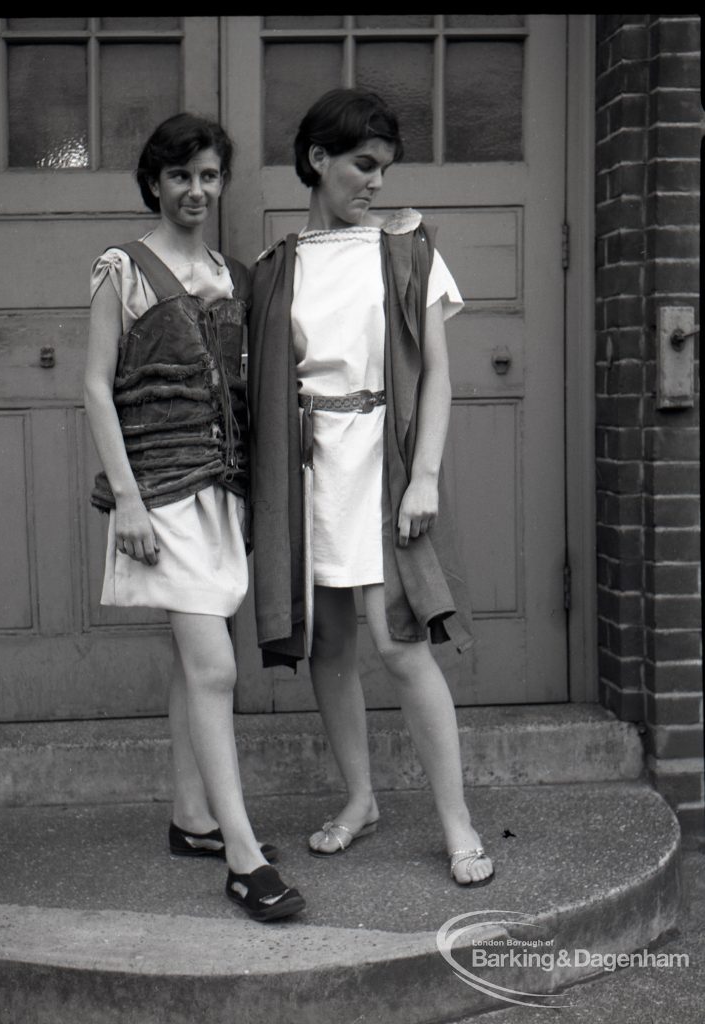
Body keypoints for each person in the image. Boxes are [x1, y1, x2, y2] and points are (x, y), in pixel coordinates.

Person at [248, 89, 494, 887]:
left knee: (400, 641)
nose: (377, 183)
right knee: (329, 642)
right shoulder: (276, 267)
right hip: (310, 468)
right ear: (316, 161)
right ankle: (360, 799)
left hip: (382, 463)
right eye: (362, 165)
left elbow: (439, 381)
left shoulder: (409, 252)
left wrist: (423, 475)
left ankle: (456, 823)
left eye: (384, 168)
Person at [83, 113, 305, 921]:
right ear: (154, 181)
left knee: (191, 666)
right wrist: (129, 498)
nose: (196, 190)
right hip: (162, 496)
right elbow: (94, 385)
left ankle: (192, 819)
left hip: (223, 494)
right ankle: (242, 858)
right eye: (180, 176)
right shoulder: (123, 267)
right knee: (214, 669)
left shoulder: (232, 274)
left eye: (209, 176)